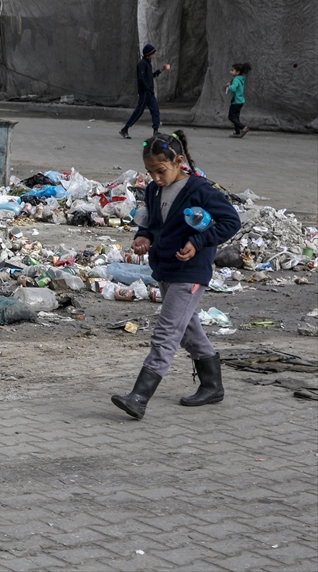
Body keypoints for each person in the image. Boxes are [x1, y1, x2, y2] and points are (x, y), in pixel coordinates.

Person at [111, 131, 241, 420]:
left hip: (190, 272)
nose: (156, 178)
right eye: (150, 172)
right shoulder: (154, 190)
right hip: (166, 268)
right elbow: (153, 222)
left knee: (167, 333)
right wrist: (143, 236)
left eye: (161, 171)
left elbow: (231, 221)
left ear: (178, 161)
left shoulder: (200, 190)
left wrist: (198, 242)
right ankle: (212, 385)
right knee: (188, 331)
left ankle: (139, 397)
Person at [119, 44, 171, 139]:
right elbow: (141, 79)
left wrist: (160, 70)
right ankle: (125, 129)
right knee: (138, 112)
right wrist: (146, 88)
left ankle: (156, 131)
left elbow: (150, 76)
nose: (154, 55)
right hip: (145, 93)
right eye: (153, 53)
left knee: (155, 111)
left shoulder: (148, 63)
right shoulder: (142, 64)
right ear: (148, 54)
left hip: (150, 93)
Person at [227, 62, 251, 138]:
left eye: (232, 70)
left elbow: (233, 89)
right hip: (240, 101)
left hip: (235, 101)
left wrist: (229, 86)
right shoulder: (240, 79)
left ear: (237, 72)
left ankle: (243, 127)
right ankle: (237, 132)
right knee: (236, 117)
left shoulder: (236, 80)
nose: (230, 72)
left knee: (231, 117)